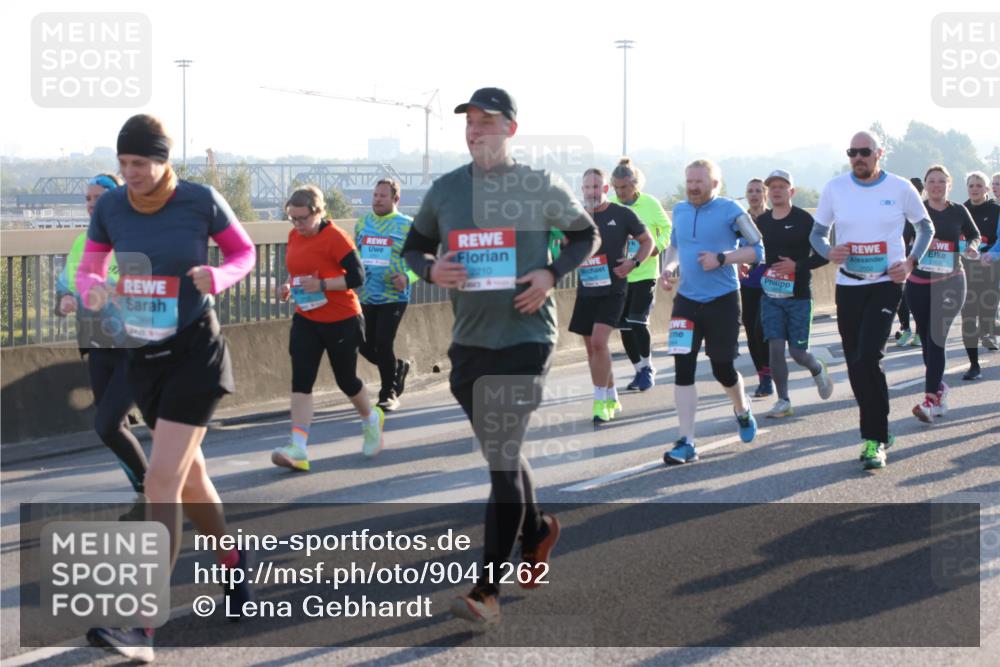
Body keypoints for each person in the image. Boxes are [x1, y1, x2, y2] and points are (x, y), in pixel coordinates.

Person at [402, 87, 599, 625]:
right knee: (503, 453)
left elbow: (586, 236)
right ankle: (536, 530)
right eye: (470, 122)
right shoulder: (446, 190)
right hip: (469, 344)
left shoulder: (540, 185)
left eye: (486, 122)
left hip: (526, 339)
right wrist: (430, 269)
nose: (475, 131)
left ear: (510, 129)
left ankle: (487, 591)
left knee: (502, 457)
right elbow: (413, 247)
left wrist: (551, 274)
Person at [77, 114, 257, 662]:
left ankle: (143, 626)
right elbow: (88, 268)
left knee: (161, 481)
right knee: (191, 478)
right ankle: (233, 561)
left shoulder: (200, 201)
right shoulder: (111, 208)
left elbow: (244, 253)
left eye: (141, 163)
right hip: (144, 357)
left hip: (195, 354)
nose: (131, 173)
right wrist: (93, 290)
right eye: (123, 163)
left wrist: (218, 277)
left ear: (163, 160)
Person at [810, 131, 933, 470]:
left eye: (864, 152)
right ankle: (879, 428)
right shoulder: (835, 188)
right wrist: (828, 251)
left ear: (879, 153)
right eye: (852, 152)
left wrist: (910, 262)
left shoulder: (899, 188)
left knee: (868, 356)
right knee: (855, 362)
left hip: (886, 283)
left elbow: (925, 228)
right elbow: (817, 233)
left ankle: (874, 439)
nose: (858, 158)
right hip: (848, 285)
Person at [271, 185, 385, 472]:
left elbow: (358, 277)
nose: (297, 224)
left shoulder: (336, 238)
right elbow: (299, 271)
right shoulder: (294, 235)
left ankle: (370, 419)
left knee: (346, 380)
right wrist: (288, 286)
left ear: (318, 212)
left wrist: (323, 285)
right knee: (301, 379)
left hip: (342, 318)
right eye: (292, 218)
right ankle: (298, 447)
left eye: (302, 218)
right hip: (307, 318)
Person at [659, 158, 764, 465]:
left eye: (699, 182)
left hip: (723, 300)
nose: (693, 187)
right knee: (683, 368)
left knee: (722, 368)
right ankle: (686, 441)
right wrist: (669, 268)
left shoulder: (731, 210)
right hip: (686, 301)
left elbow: (758, 250)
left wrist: (721, 258)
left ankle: (742, 409)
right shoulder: (680, 210)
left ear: (715, 184)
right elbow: (675, 246)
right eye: (689, 182)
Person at [55, 172, 147, 493]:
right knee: (112, 427)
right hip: (97, 345)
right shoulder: (82, 242)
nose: (92, 204)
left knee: (106, 425)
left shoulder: (136, 238)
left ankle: (152, 484)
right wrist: (65, 299)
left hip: (134, 349)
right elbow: (65, 286)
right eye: (88, 199)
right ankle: (146, 488)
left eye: (99, 198)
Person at [572, 168, 652, 424]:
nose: (591, 192)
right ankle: (611, 394)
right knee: (592, 350)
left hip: (614, 289)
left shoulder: (622, 213)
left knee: (599, 342)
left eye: (596, 187)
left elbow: (647, 241)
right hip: (587, 289)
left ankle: (600, 402)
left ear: (605, 189)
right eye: (587, 187)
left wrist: (633, 263)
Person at [755, 169, 833, 418]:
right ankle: (783, 400)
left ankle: (816, 367)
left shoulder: (804, 220)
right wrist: (747, 263)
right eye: (772, 187)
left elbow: (824, 255)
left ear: (792, 191)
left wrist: (796, 266)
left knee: (798, 353)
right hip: (771, 295)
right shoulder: (762, 222)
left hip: (798, 296)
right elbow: (754, 251)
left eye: (782, 186)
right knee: (775, 348)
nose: (776, 191)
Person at [906, 165, 980, 422]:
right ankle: (939, 391)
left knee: (936, 338)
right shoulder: (916, 211)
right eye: (932, 181)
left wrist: (971, 247)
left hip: (950, 281)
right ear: (925, 186)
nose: (936, 186)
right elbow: (901, 239)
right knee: (927, 342)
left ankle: (929, 400)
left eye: (941, 181)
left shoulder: (958, 210)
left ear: (949, 185)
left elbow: (974, 234)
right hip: (918, 283)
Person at [609, 158, 672, 391]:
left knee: (638, 321)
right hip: (621, 275)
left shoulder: (650, 203)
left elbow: (667, 229)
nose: (620, 192)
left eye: (624, 187)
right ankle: (639, 369)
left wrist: (657, 247)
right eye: (616, 187)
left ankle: (647, 367)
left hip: (645, 272)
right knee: (624, 326)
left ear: (635, 184)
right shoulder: (611, 205)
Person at [355, 178, 416, 411]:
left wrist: (407, 277)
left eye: (383, 196)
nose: (377, 200)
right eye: (375, 195)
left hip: (394, 296)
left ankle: (388, 393)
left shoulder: (407, 225)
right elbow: (355, 256)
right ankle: (397, 367)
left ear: (395, 199)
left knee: (383, 342)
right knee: (362, 343)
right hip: (367, 294)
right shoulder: (363, 223)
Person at [960, 170, 1000, 379]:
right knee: (967, 316)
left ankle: (988, 330)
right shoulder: (961, 210)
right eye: (971, 186)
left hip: (989, 268)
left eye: (979, 186)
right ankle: (974, 365)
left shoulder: (996, 210)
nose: (974, 189)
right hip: (965, 269)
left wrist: (989, 254)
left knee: (987, 316)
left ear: (986, 189)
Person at [739, 178, 773, 396]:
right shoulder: (740, 221)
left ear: (765, 194)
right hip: (747, 283)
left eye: (758, 191)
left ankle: (769, 375)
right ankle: (763, 376)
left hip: (771, 283)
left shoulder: (772, 219)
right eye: (750, 191)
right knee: (751, 332)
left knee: (762, 329)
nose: (754, 195)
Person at [894, 177, 923, 348]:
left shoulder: (923, 212)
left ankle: (919, 332)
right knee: (901, 297)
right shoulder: (898, 212)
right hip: (900, 261)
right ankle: (906, 328)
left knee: (917, 299)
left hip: (919, 262)